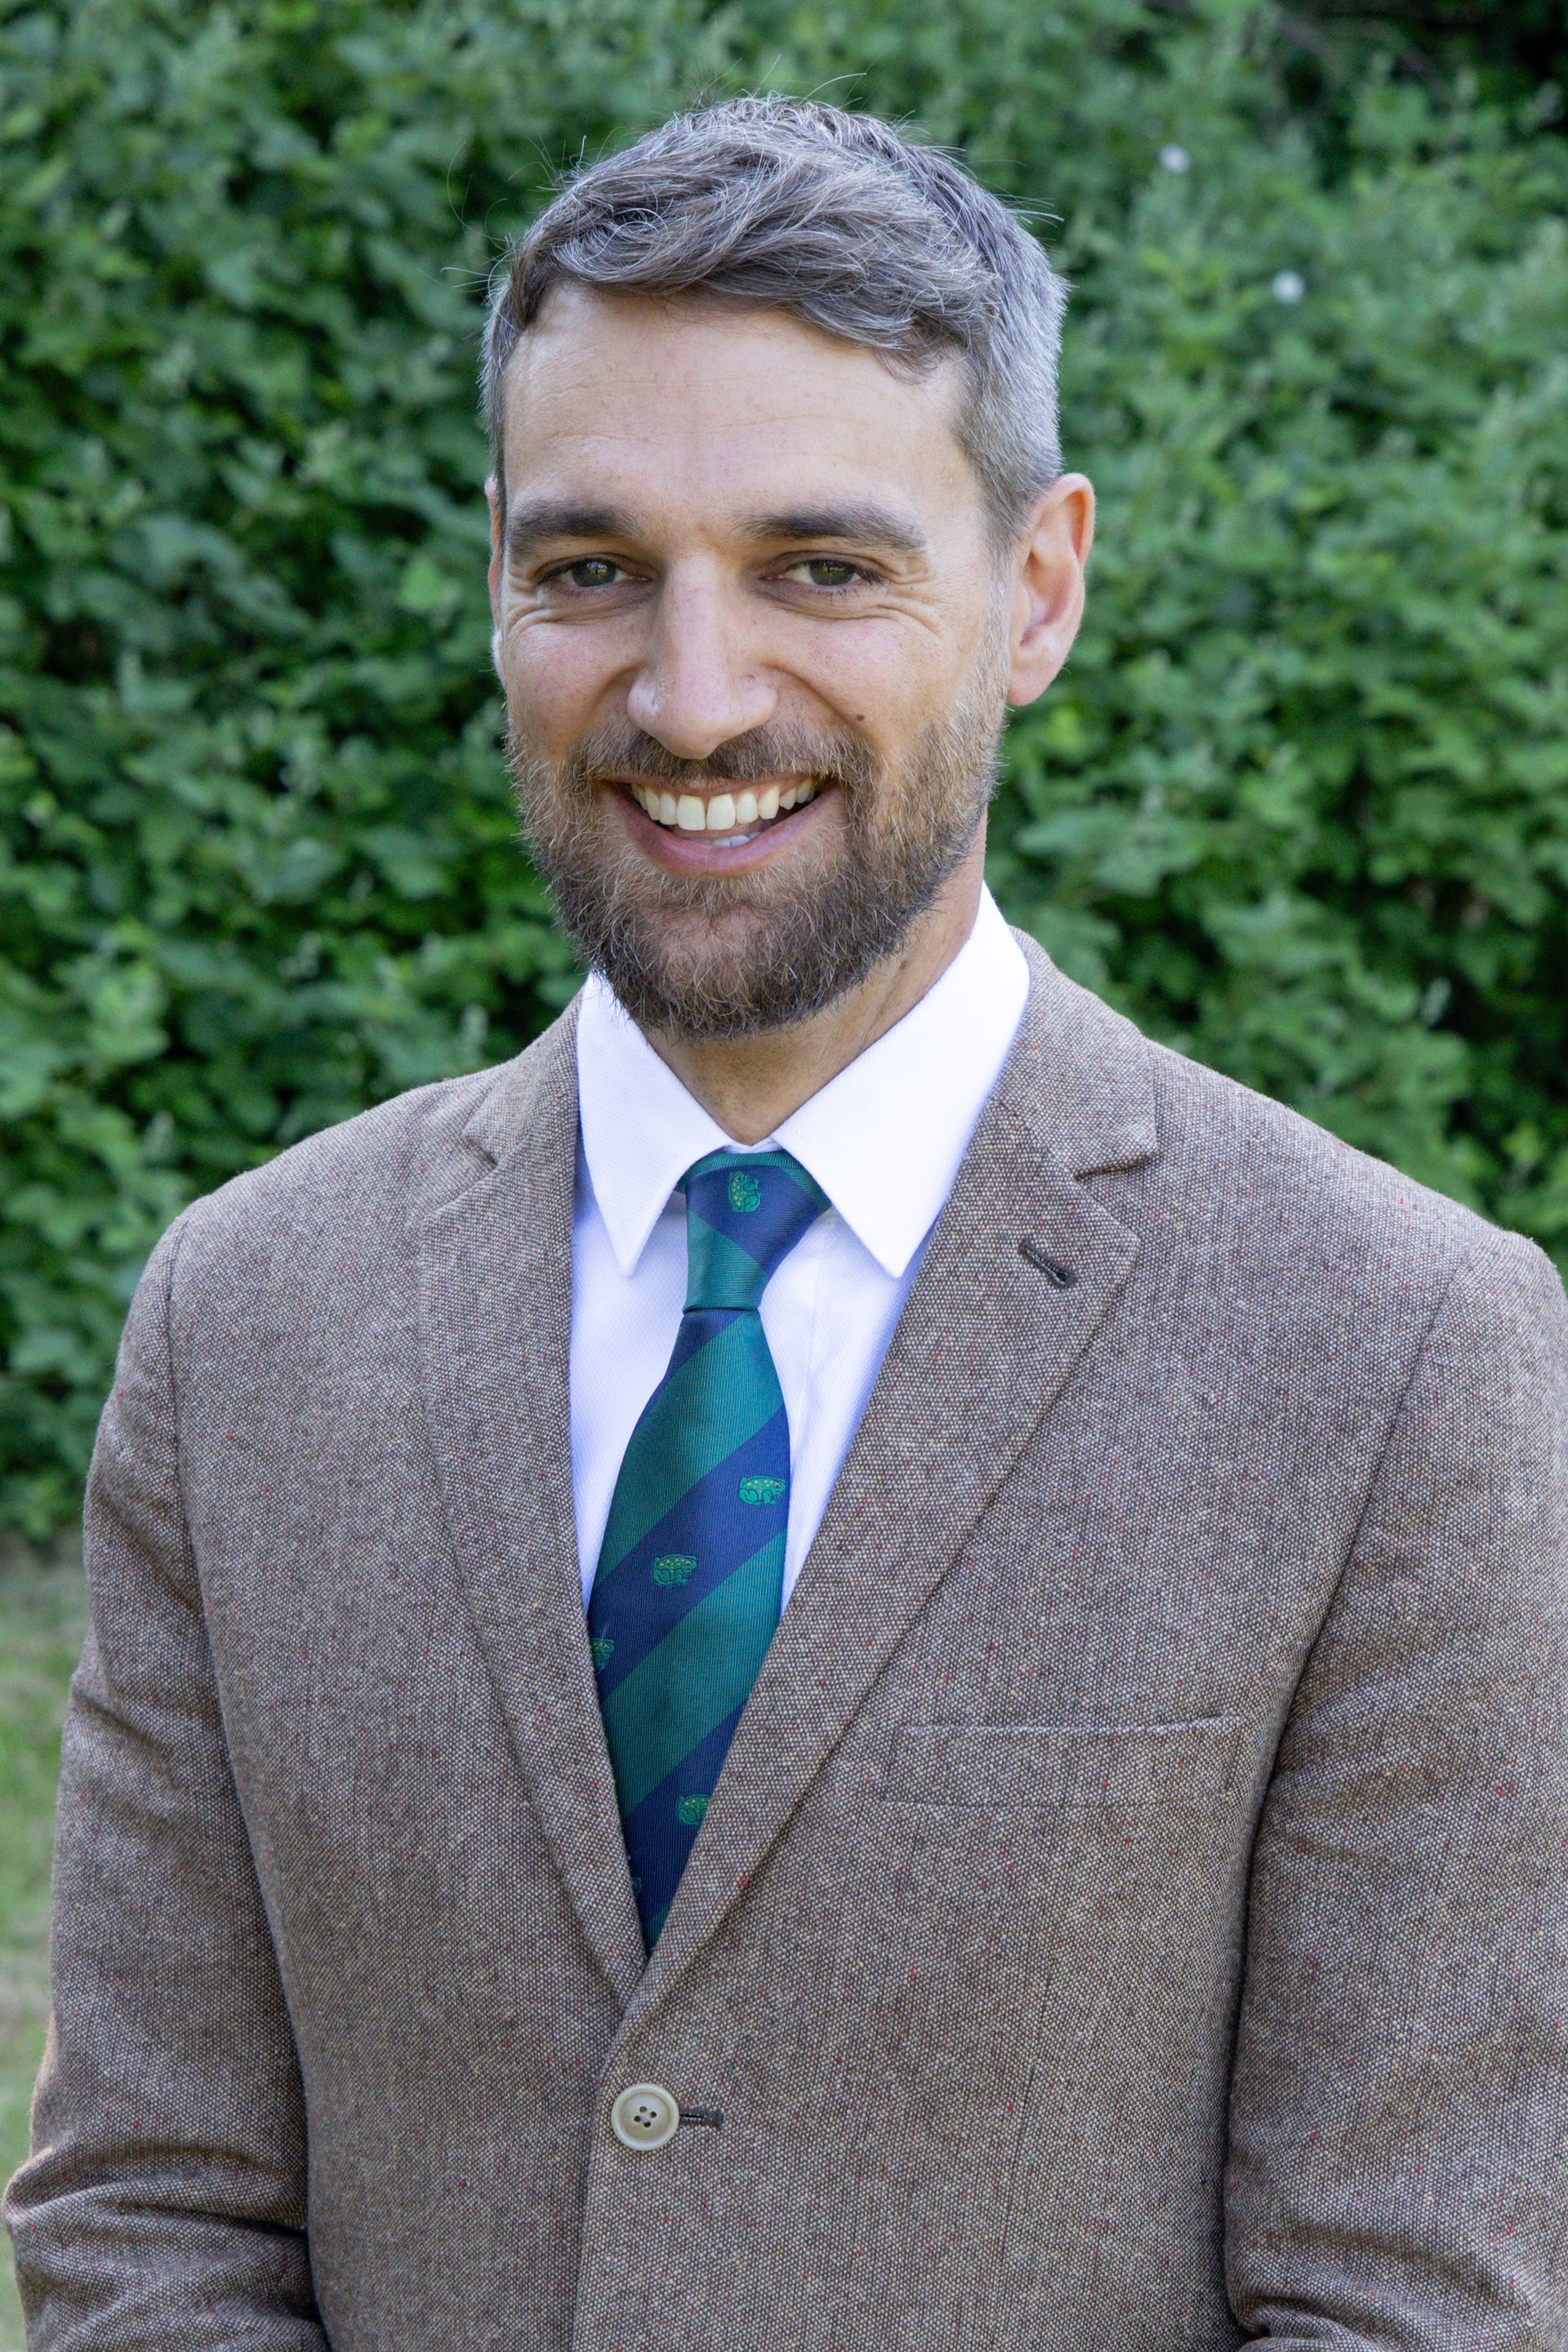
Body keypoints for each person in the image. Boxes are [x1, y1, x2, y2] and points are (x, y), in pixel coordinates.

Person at [7, 93, 1568, 2352]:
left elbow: (1415, 2298)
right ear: (496, 579)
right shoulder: (246, 1318)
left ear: (1038, 592)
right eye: (591, 569)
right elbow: (150, 2213)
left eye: (821, 568)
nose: (694, 693)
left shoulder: (1396, 1353)